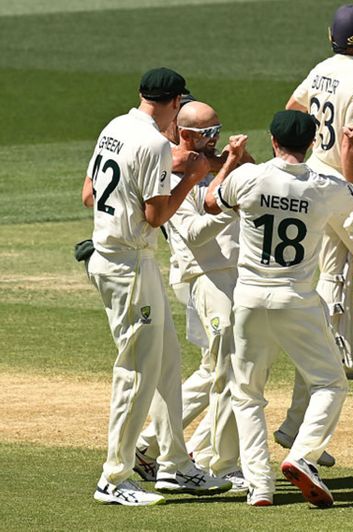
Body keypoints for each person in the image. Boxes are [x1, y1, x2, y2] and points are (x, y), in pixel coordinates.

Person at [204, 110, 353, 506]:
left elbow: (212, 202)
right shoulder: (322, 184)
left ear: (272, 140)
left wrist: (230, 160)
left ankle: (260, 487)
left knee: (247, 394)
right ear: (313, 143)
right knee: (330, 384)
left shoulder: (249, 177)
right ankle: (303, 456)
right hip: (296, 298)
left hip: (248, 297)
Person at [82, 67, 231, 506]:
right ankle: (114, 477)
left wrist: (179, 168)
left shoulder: (116, 127)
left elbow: (90, 194)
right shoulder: (150, 142)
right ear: (173, 102)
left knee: (165, 363)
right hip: (128, 263)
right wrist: (189, 176)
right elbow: (155, 216)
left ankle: (177, 465)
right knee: (138, 370)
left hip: (118, 256)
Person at [281, 4, 353, 447]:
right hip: (343, 190)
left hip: (316, 182)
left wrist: (312, 155)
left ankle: (332, 341)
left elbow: (293, 108)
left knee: (330, 276)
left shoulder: (323, 68)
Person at [132, 101, 251, 492]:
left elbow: (258, 179)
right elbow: (197, 233)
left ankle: (148, 445)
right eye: (209, 134)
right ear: (186, 135)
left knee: (214, 369)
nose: (216, 140)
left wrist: (239, 161)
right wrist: (229, 204)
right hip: (203, 278)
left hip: (228, 275)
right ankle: (223, 462)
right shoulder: (171, 173)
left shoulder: (212, 163)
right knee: (228, 372)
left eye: (218, 131)